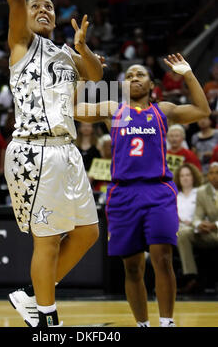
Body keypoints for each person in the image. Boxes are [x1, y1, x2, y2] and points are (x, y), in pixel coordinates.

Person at [0, 0, 103, 327]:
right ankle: (47, 321)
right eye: (38, 4)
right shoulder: (22, 42)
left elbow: (96, 76)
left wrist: (84, 47)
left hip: (67, 152)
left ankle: (33, 298)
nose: (42, 9)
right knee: (48, 241)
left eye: (49, 6)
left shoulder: (67, 54)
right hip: (34, 151)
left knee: (88, 233)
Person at [74, 53, 210, 327]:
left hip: (158, 191)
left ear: (152, 85)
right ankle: (142, 324)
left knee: (162, 259)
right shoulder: (114, 110)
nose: (134, 78)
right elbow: (75, 109)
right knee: (132, 267)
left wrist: (188, 74)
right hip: (123, 194)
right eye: (129, 76)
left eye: (141, 75)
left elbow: (202, 110)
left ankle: (167, 322)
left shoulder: (164, 111)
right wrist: (83, 76)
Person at [177, 162, 218, 293]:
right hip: (210, 233)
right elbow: (197, 216)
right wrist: (199, 224)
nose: (214, 176)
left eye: (217, 173)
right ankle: (191, 277)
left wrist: (214, 225)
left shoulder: (196, 192)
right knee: (183, 234)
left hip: (214, 228)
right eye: (211, 173)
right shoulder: (202, 192)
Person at [173, 163, 203, 230]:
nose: (185, 178)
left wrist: (192, 223)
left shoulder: (200, 193)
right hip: (176, 229)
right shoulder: (175, 196)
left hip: (195, 229)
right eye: (182, 176)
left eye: (188, 175)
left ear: (193, 177)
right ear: (179, 178)